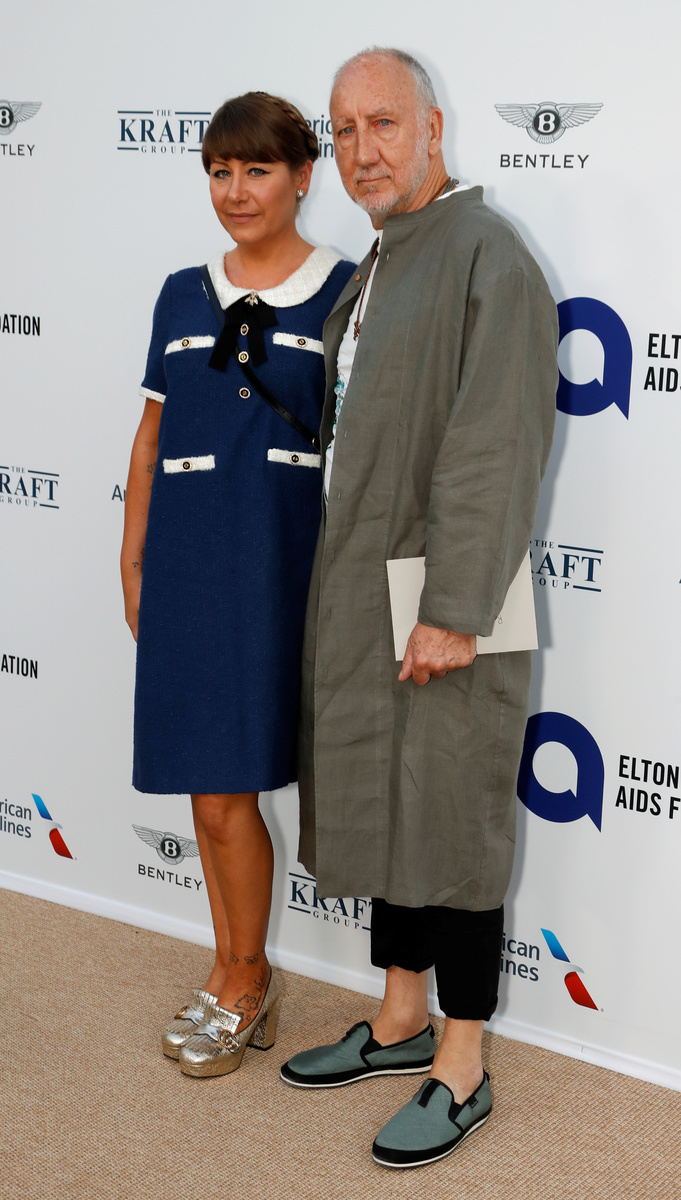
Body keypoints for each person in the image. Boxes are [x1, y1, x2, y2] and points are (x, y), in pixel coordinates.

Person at [280, 49, 558, 1169]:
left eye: (382, 123)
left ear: (433, 129)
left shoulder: (489, 253)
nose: (362, 150)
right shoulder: (385, 259)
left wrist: (452, 608)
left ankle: (462, 1061)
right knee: (391, 806)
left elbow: (495, 447)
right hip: (371, 587)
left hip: (453, 595)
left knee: (451, 816)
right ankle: (398, 1018)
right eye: (342, 130)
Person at [121, 91, 354, 1079]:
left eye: (257, 169)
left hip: (277, 573)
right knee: (203, 783)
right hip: (182, 565)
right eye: (220, 170)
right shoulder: (180, 293)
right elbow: (150, 439)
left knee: (228, 790)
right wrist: (133, 560)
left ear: (303, 175)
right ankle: (231, 968)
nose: (235, 189)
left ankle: (245, 979)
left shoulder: (346, 289)